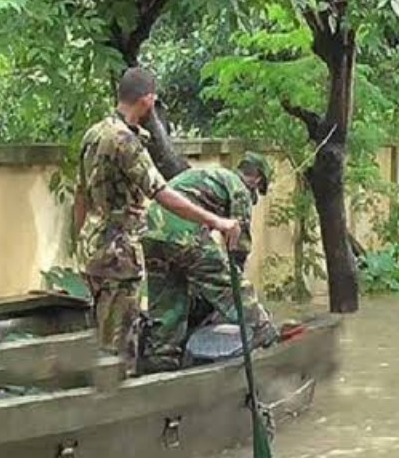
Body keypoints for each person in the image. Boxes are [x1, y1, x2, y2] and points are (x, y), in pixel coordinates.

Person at [74, 67, 240, 374]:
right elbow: (161, 192)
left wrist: (79, 244)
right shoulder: (126, 141)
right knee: (120, 348)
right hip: (118, 255)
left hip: (91, 248)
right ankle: (118, 411)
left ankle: (100, 399)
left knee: (102, 338)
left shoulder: (93, 134)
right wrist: (216, 221)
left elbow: (80, 197)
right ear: (147, 100)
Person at [140, 154, 278, 373]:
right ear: (257, 179)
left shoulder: (207, 175)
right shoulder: (239, 187)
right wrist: (233, 284)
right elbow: (238, 245)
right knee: (225, 283)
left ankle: (161, 358)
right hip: (182, 231)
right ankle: (262, 328)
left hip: (151, 233)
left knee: (168, 299)